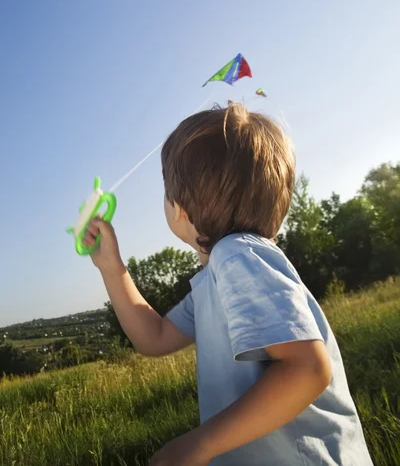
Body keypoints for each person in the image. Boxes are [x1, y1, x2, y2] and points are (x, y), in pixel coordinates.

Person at [83, 103, 373, 466]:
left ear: (181, 208)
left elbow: (307, 370)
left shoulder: (236, 256)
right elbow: (154, 338)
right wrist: (112, 268)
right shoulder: (219, 276)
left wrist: (197, 445)